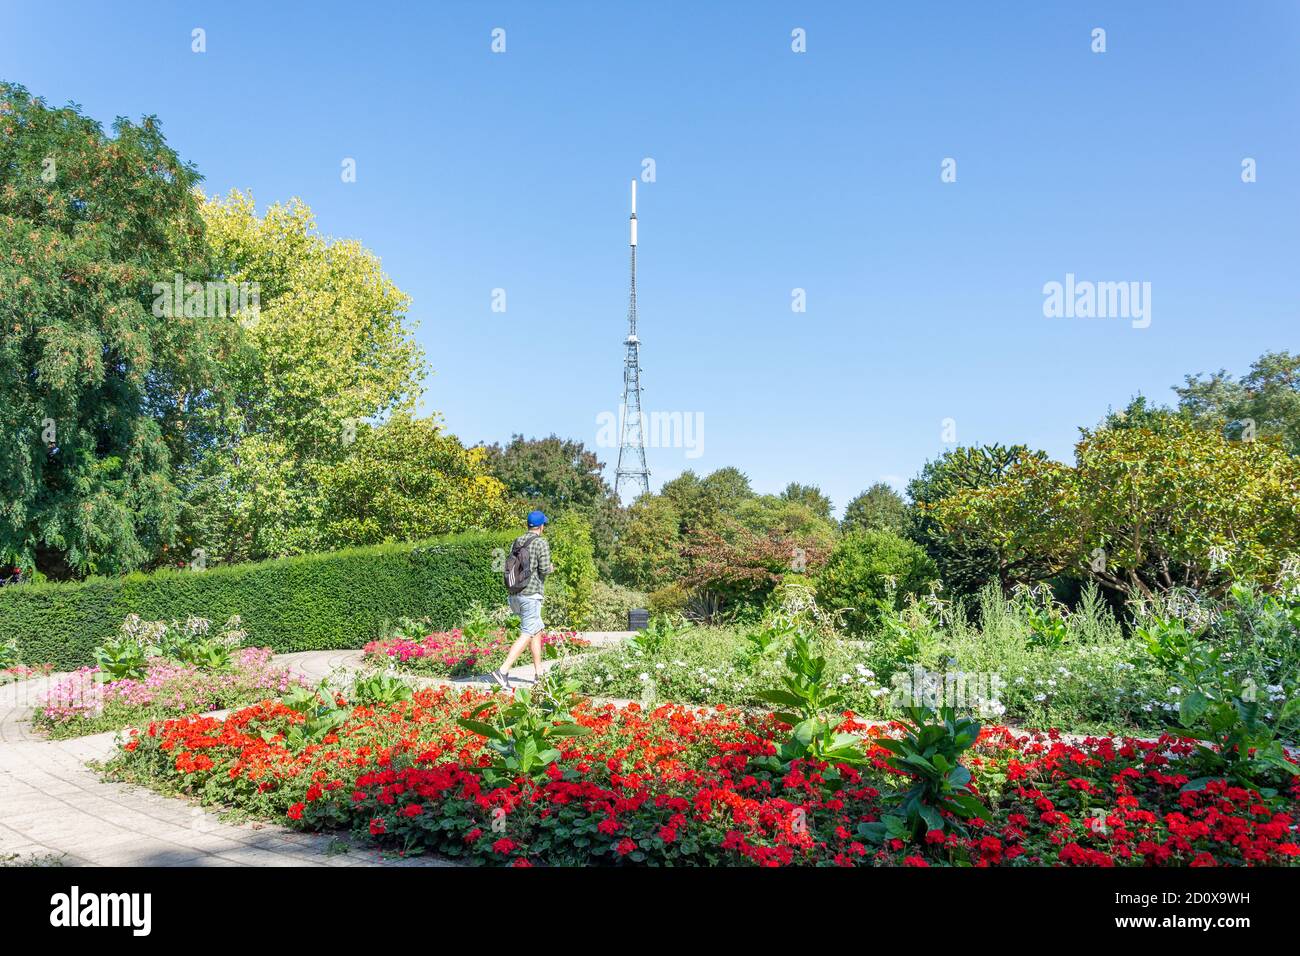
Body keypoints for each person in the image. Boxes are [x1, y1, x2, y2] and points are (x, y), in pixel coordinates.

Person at [492, 510, 553, 688]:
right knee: (527, 632)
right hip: (531, 595)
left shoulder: (517, 541)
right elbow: (543, 569)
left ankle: (538, 673)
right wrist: (551, 567)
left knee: (536, 630)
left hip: (515, 594)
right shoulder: (541, 542)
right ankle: (502, 671)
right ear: (541, 526)